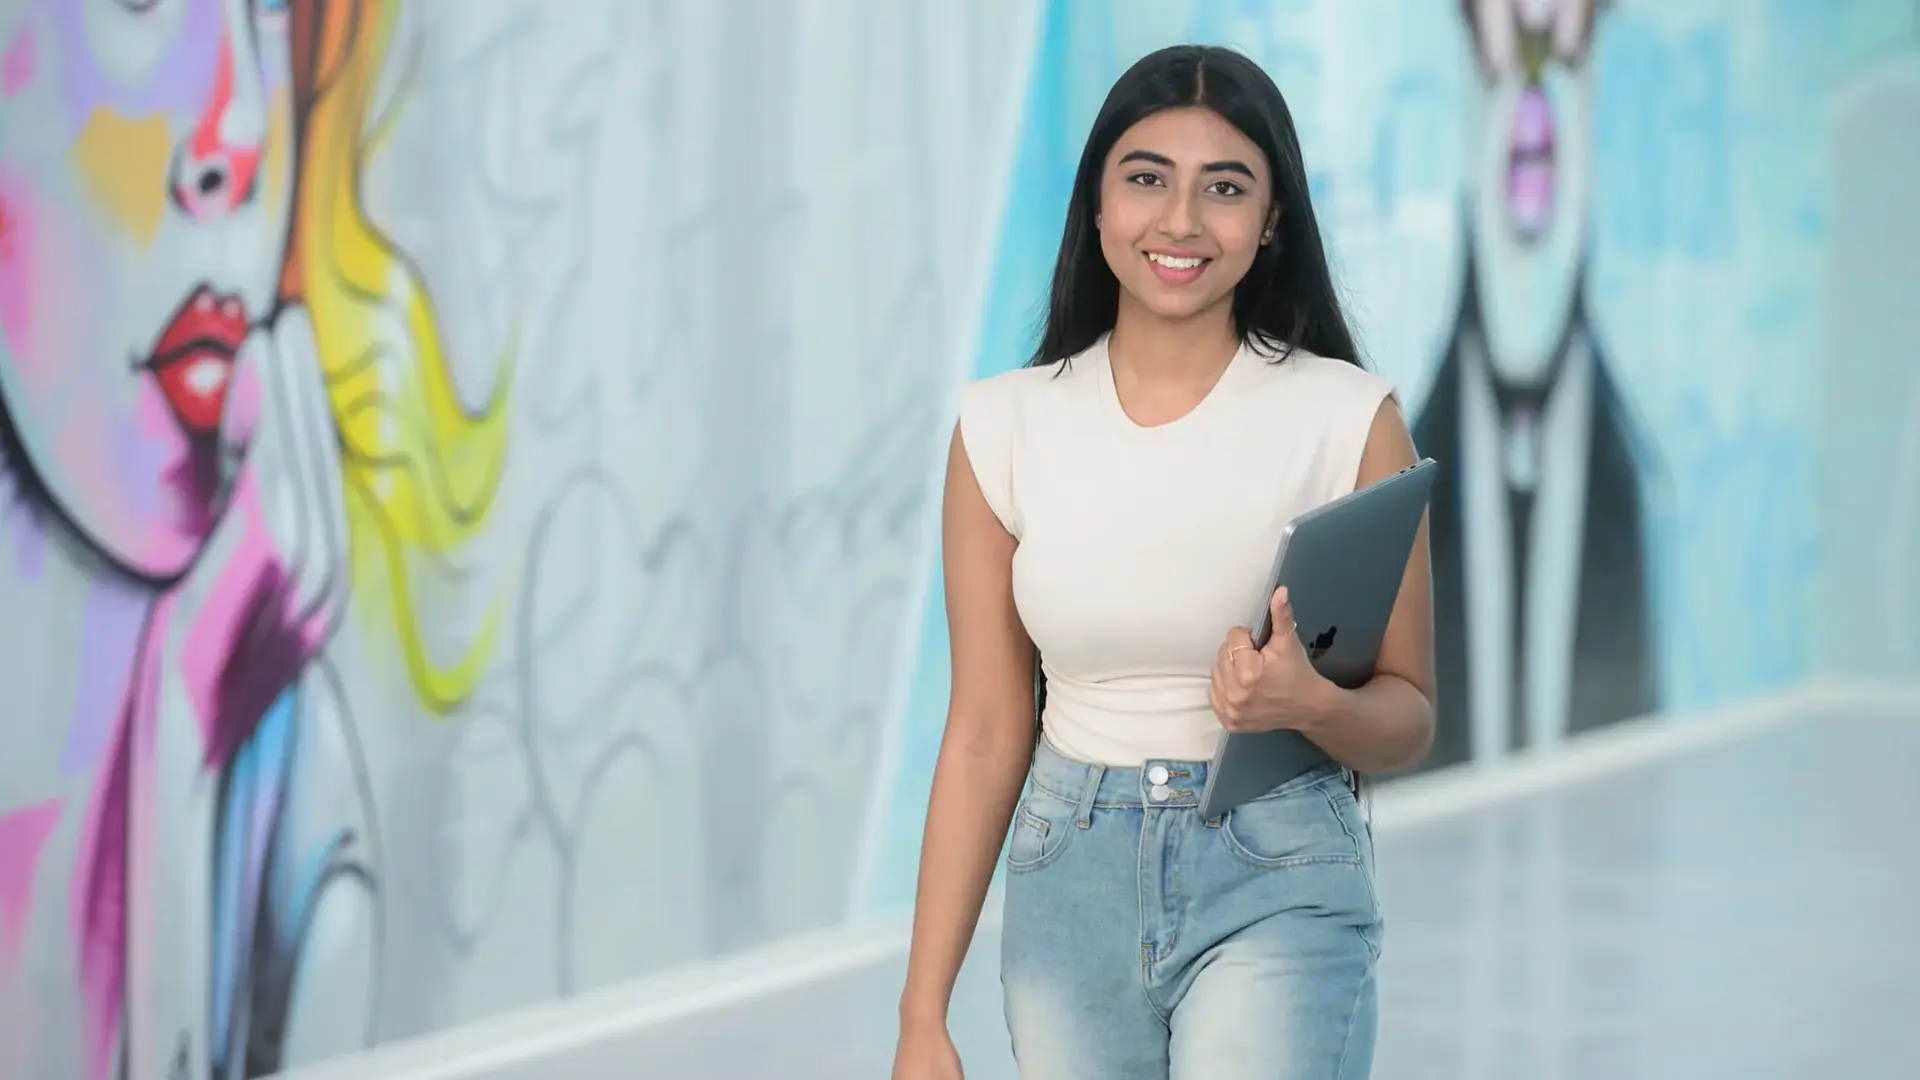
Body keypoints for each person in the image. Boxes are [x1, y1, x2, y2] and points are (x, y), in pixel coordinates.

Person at [891, 44, 1436, 1080]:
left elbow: (1406, 714)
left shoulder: (1348, 419)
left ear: (1271, 221)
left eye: (1224, 188)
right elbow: (984, 732)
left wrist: (1307, 703)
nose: (1181, 221)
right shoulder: (1003, 427)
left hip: (1278, 860)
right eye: (1147, 179)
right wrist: (923, 1017)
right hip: (1068, 876)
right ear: (1097, 204)